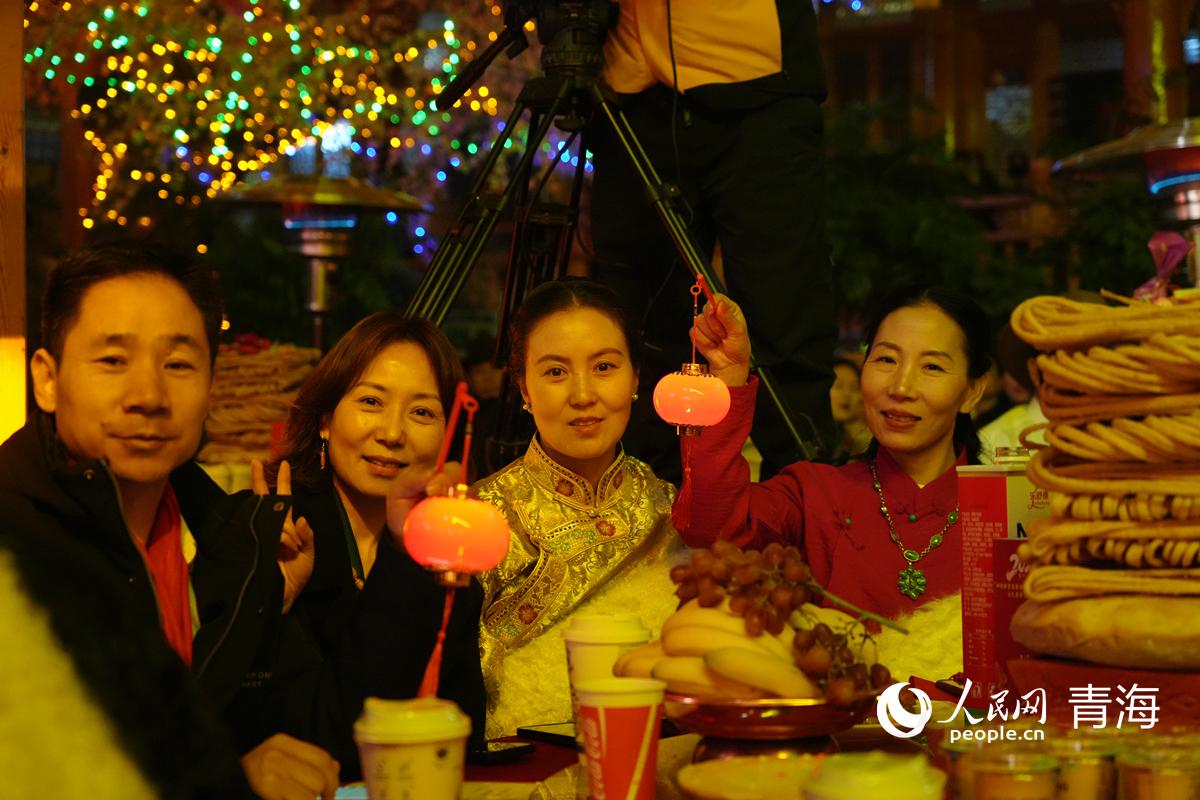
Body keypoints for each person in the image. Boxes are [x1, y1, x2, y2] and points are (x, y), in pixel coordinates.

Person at [0, 241, 339, 799]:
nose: (149, 396)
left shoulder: (228, 537)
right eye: (113, 360)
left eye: (178, 364)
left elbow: (314, 736)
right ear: (47, 379)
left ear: (211, 383)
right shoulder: (16, 546)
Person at [589, 0, 835, 480]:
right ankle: (644, 500)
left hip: (755, 77)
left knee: (784, 315)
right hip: (628, 91)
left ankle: (803, 500)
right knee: (638, 330)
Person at [675, 285, 991, 619]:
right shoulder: (814, 493)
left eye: (932, 367)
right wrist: (728, 376)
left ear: (972, 390)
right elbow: (713, 527)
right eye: (887, 359)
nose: (901, 388)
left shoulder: (1005, 509)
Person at [268, 313, 487, 774]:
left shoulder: (447, 559)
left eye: (422, 412)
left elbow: (463, 738)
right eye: (371, 401)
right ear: (325, 421)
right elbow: (326, 739)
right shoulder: (276, 538)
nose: (391, 434)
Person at [474, 278, 687, 737]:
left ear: (635, 378)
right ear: (523, 387)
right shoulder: (479, 518)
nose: (583, 395)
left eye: (604, 367)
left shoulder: (671, 509)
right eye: (555, 372)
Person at [830, 352, 871, 460]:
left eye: (854, 388)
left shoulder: (863, 443)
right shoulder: (806, 436)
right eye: (838, 386)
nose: (846, 394)